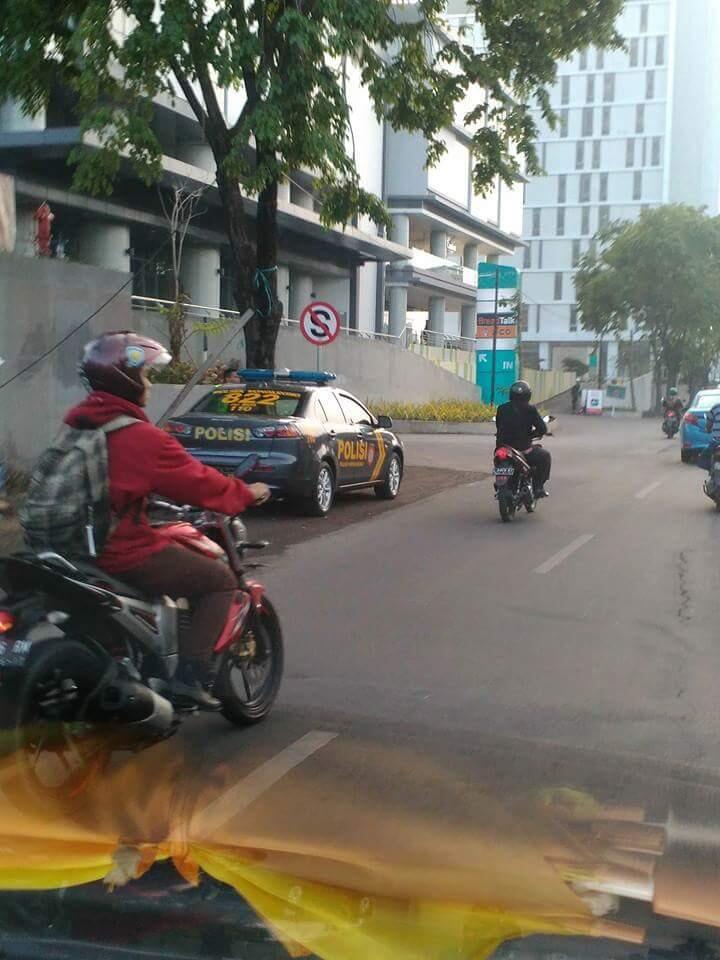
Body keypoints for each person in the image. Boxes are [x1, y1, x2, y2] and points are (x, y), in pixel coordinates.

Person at [66, 332, 271, 711]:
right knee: (219, 582)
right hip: (118, 551)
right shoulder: (139, 436)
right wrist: (247, 492)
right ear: (126, 380)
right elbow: (199, 483)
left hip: (66, 550)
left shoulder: (78, 428)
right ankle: (189, 679)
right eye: (145, 375)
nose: (148, 383)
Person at [495, 380, 551, 497]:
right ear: (528, 395)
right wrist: (532, 434)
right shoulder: (530, 409)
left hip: (503, 448)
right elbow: (542, 429)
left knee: (498, 459)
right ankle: (538, 487)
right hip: (523, 449)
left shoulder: (501, 408)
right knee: (545, 456)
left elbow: (498, 425)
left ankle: (499, 483)